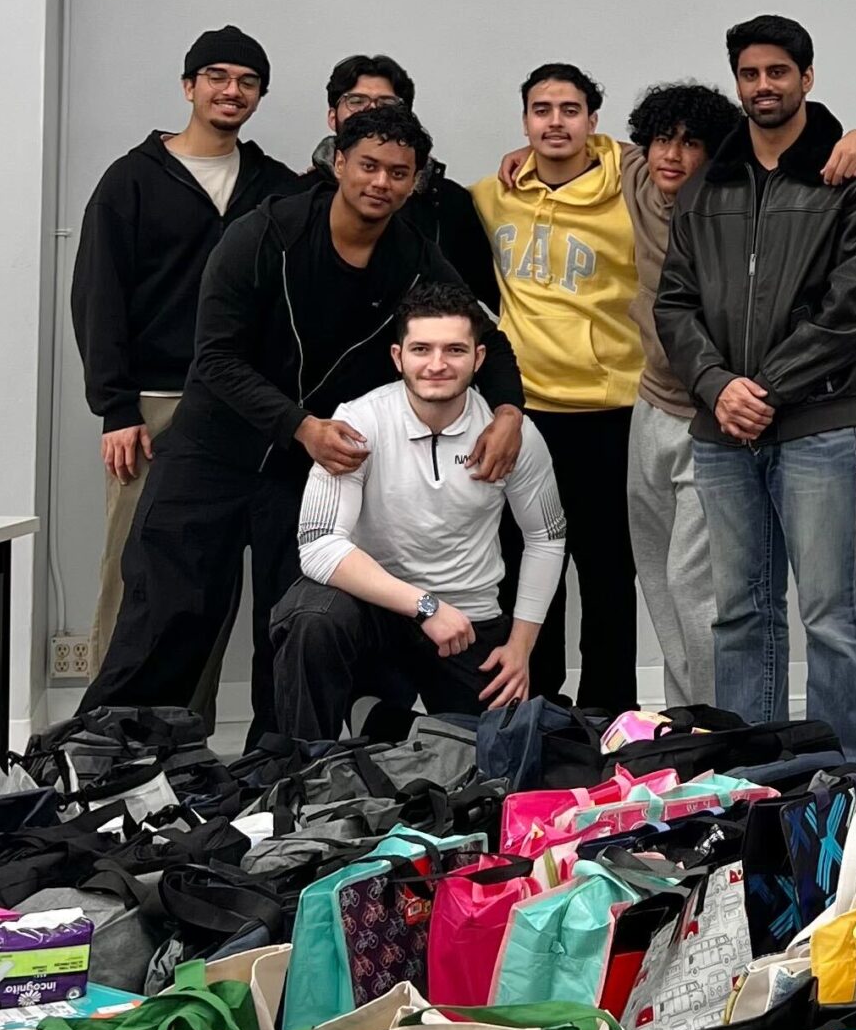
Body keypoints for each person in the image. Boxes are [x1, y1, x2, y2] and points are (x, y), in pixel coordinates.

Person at [86, 102, 526, 744]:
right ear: (338, 162)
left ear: (416, 181)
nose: (381, 183)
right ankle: (109, 762)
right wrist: (300, 425)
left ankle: (279, 774)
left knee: (290, 628)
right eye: (368, 166)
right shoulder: (266, 233)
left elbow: (490, 341)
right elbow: (215, 358)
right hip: (211, 454)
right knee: (164, 619)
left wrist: (509, 412)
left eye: (399, 173)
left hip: (300, 472)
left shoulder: (414, 256)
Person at [656, 17, 856, 767]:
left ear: (807, 78)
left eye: (778, 72)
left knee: (830, 616)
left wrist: (764, 392)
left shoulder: (853, 178)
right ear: (738, 82)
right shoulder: (704, 187)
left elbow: (852, 312)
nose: (764, 86)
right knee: (739, 617)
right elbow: (674, 304)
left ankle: (846, 782)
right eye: (750, 74)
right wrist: (718, 387)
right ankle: (752, 780)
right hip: (721, 431)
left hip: (816, 426)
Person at [68, 26, 296, 667]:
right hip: (153, 408)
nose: (232, 91)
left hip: (244, 409)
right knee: (137, 573)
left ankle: (183, 733)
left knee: (209, 582)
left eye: (248, 82)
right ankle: (106, 734)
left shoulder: (275, 187)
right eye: (218, 77)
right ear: (189, 86)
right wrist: (115, 408)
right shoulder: (130, 182)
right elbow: (97, 298)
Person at [272, 284, 567, 741]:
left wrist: (520, 647)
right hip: (374, 610)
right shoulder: (360, 421)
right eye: (421, 349)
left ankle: (383, 724)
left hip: (468, 618)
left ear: (479, 358)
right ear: (397, 356)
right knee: (312, 618)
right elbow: (317, 544)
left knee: (501, 758)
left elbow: (546, 537)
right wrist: (425, 605)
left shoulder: (513, 434)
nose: (436, 364)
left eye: (454, 350)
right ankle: (305, 773)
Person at [472, 63, 643, 711]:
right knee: (525, 565)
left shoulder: (632, 190)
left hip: (609, 407)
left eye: (569, 110)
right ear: (524, 121)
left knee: (605, 570)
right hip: (526, 412)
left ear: (593, 122)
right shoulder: (495, 193)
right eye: (541, 110)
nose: (554, 122)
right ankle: (535, 703)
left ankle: (607, 711)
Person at [621, 79, 747, 712]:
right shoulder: (638, 177)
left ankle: (716, 724)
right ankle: (681, 714)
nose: (671, 154)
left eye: (690, 142)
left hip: (708, 420)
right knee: (658, 583)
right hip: (649, 410)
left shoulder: (731, 208)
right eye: (661, 139)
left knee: (694, 586)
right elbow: (582, 140)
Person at [311, 54, 499, 310]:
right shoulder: (297, 197)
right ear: (332, 117)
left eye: (387, 103)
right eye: (356, 101)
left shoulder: (449, 203)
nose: (372, 111)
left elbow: (493, 298)